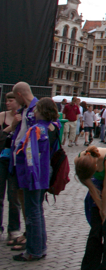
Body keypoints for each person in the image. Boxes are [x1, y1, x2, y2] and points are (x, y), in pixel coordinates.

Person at [12, 96, 60, 261]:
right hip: (46, 172)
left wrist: (30, 176)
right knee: (38, 211)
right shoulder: (54, 127)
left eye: (37, 110)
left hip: (34, 174)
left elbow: (30, 156)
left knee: (32, 213)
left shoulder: (36, 130)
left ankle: (33, 250)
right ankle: (41, 246)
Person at [0, 92, 22, 247]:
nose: (8, 103)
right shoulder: (2, 116)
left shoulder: (23, 117)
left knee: (14, 198)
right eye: (7, 100)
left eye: (11, 100)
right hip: (2, 159)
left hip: (15, 162)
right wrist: (11, 126)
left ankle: (13, 229)